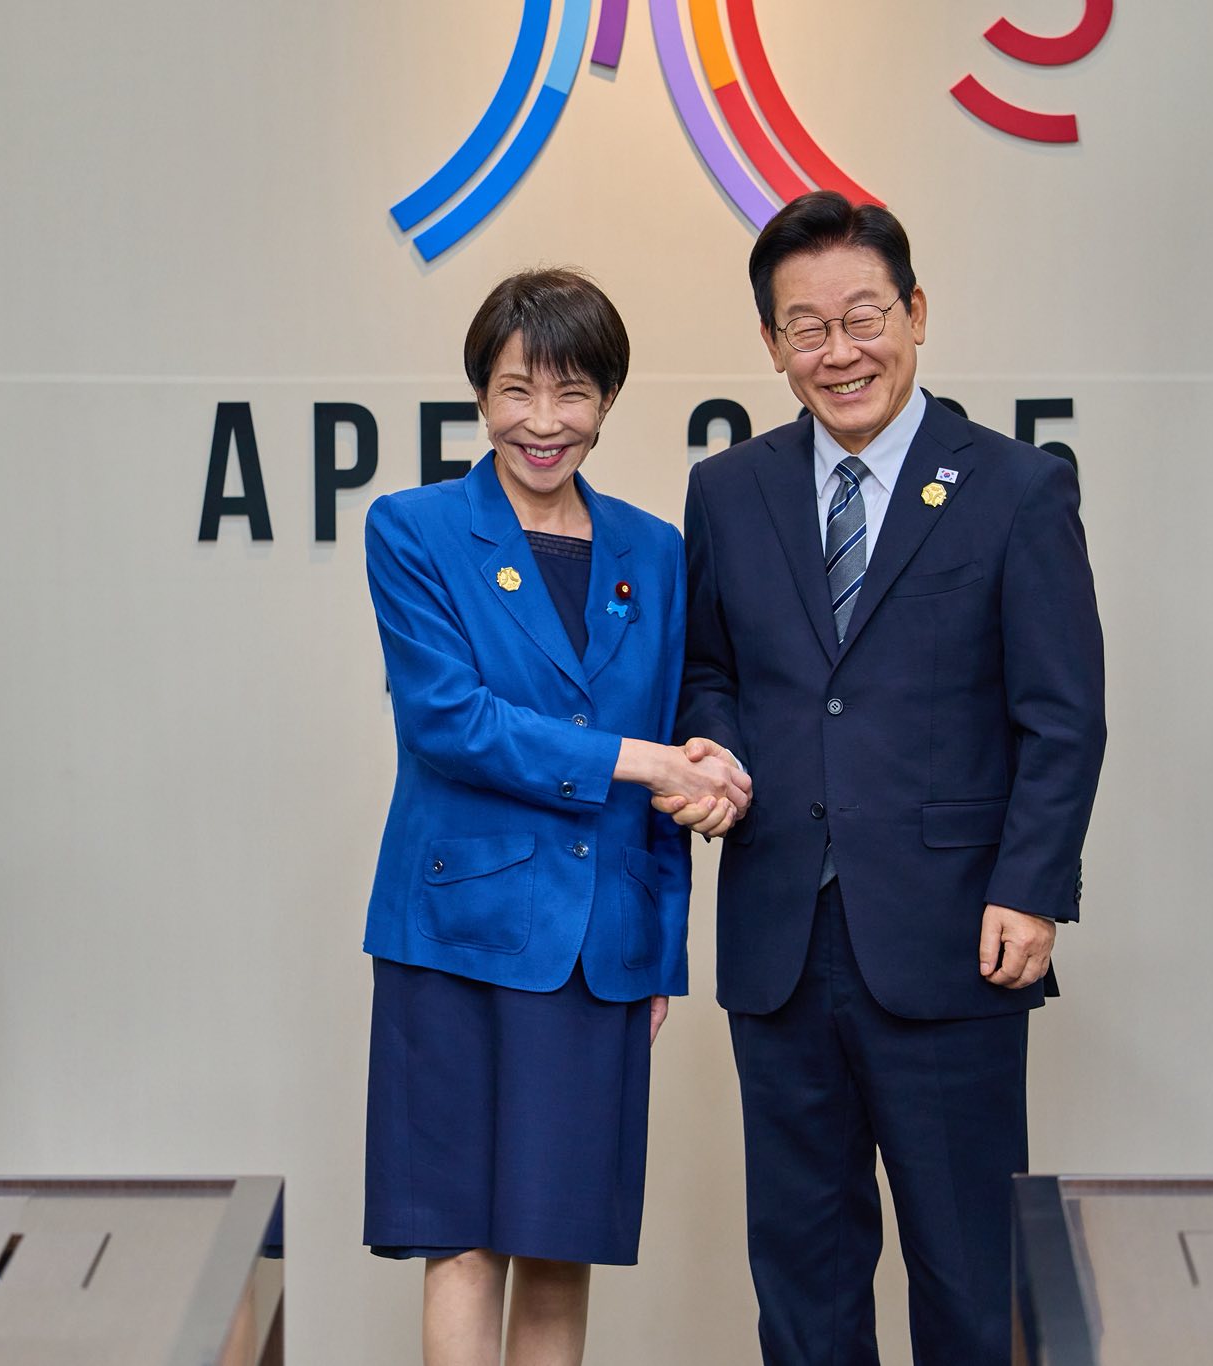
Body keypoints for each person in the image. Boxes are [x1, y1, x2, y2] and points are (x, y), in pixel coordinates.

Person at [663, 192, 1107, 1364]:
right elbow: (708, 671)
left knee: (968, 1276)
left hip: (953, 935)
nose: (838, 350)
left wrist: (1030, 887)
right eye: (804, 327)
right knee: (801, 1279)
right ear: (771, 344)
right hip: (779, 935)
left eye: (862, 316)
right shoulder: (727, 491)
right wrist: (711, 745)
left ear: (914, 313)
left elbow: (1061, 714)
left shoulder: (1014, 487)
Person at [362, 267, 749, 1366]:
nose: (543, 422)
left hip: (599, 944)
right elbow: (450, 724)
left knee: (559, 1239)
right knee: (461, 1237)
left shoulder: (653, 550)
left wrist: (659, 951)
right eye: (516, 391)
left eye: (572, 392)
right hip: (455, 934)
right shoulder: (414, 529)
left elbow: (671, 743)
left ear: (608, 399)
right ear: (480, 395)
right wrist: (640, 760)